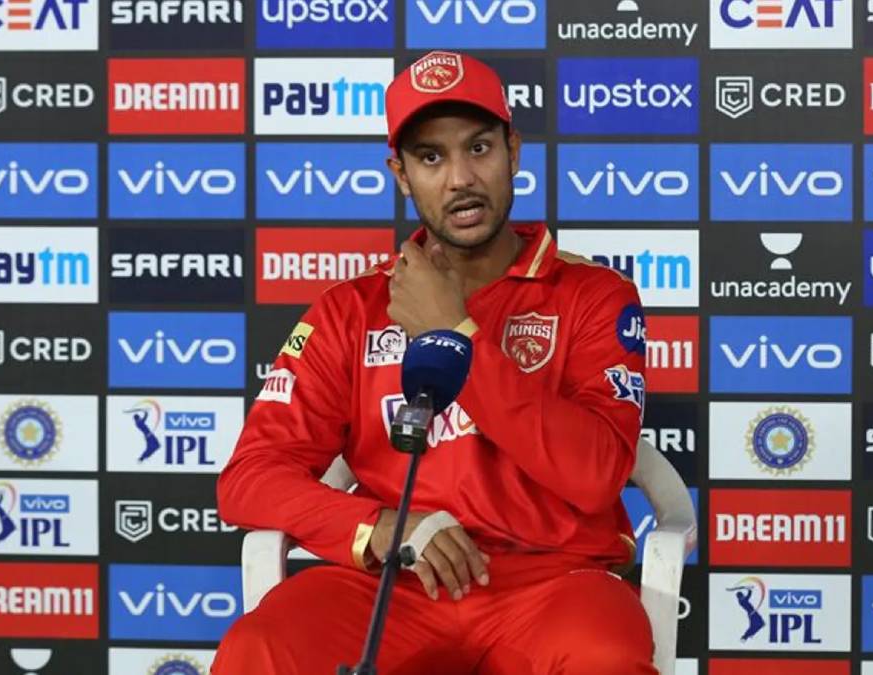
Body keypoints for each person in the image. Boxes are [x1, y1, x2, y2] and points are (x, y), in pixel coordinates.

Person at [213, 50, 654, 675]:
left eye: (479, 148)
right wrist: (382, 526)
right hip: (394, 583)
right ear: (400, 174)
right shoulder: (351, 308)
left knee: (603, 656)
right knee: (261, 647)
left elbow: (596, 475)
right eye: (430, 157)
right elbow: (250, 478)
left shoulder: (593, 295)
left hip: (553, 583)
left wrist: (455, 333)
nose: (460, 179)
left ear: (514, 152)